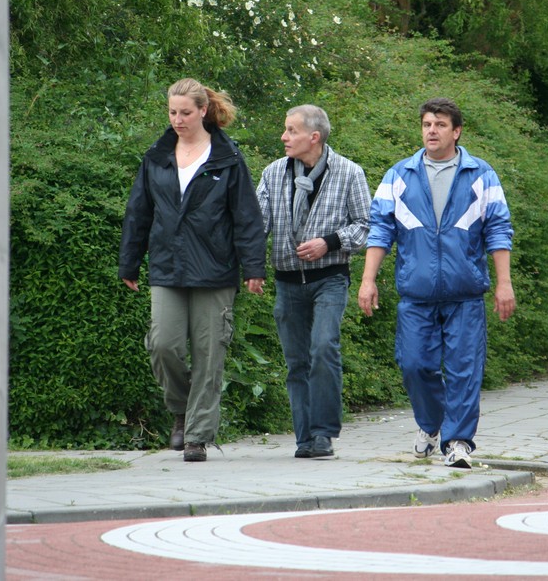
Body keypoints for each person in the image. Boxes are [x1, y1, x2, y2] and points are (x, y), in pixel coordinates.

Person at [357, 97, 516, 469]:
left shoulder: (481, 174)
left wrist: (503, 283)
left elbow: (498, 229)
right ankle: (430, 425)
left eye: (440, 125)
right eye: (427, 124)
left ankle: (457, 442)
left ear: (456, 132)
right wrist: (368, 280)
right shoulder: (399, 175)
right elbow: (380, 230)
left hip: (465, 293)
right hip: (417, 292)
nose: (432, 130)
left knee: (464, 370)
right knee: (414, 365)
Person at [119, 78, 266, 463]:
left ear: (203, 111)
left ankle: (197, 436)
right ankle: (181, 411)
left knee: (208, 353)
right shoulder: (156, 157)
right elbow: (138, 212)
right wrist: (130, 261)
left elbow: (246, 216)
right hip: (167, 266)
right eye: (172, 112)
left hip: (215, 268)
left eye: (185, 112)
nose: (178, 119)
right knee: (163, 345)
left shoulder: (228, 158)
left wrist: (253, 266)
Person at [256, 105, 371, 459]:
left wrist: (329, 242)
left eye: (291, 130)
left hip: (330, 278)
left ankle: (323, 434)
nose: (284, 137)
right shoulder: (273, 173)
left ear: (314, 137)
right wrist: (251, 267)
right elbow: (257, 225)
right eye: (285, 129)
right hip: (287, 281)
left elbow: (367, 227)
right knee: (296, 362)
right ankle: (304, 439)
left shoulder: (349, 172)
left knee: (323, 348)